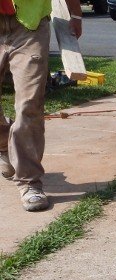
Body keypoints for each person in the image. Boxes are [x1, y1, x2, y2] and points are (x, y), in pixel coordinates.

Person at [0, 0, 82, 212]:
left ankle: (29, 182)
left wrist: (75, 14)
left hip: (29, 26)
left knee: (30, 103)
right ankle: (3, 144)